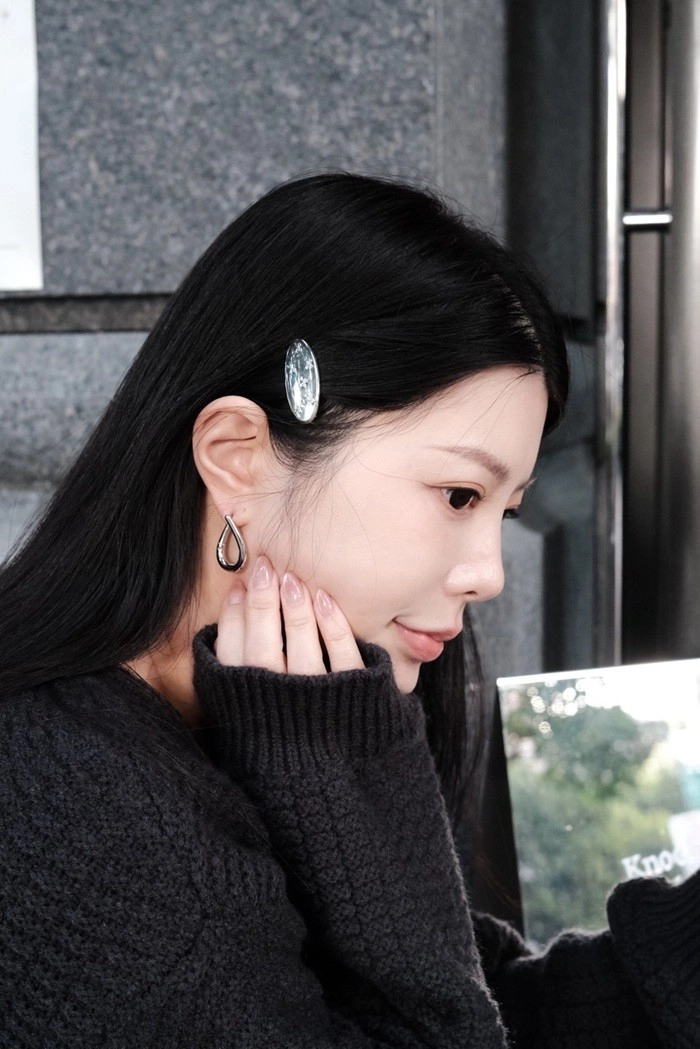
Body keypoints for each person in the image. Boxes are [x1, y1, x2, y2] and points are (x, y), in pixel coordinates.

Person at [0, 172, 696, 1048]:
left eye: (506, 510)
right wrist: (342, 777)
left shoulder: (264, 715)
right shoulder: (82, 814)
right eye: (458, 494)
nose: (489, 574)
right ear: (239, 456)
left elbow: (489, 999)